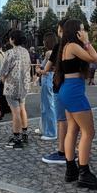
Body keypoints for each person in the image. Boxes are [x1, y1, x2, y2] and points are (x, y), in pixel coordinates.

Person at [56, 19, 97, 189]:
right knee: (88, 132)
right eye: (82, 29)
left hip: (69, 89)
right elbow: (94, 59)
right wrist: (86, 41)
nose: (84, 31)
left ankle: (71, 170)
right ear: (76, 32)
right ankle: (84, 173)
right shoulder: (74, 46)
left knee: (73, 129)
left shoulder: (66, 46)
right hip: (74, 92)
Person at [41, 20, 70, 164]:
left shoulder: (59, 46)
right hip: (74, 86)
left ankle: (62, 152)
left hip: (60, 85)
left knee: (62, 120)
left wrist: (40, 71)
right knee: (73, 121)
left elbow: (46, 69)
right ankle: (71, 150)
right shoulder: (77, 46)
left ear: (61, 30)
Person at [2, 30, 32, 149]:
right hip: (24, 85)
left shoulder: (10, 53)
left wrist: (3, 79)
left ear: (12, 39)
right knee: (22, 108)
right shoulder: (26, 52)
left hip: (12, 86)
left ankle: (16, 138)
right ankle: (24, 133)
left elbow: (4, 70)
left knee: (15, 112)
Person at [37, 33, 59, 143]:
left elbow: (45, 70)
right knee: (49, 105)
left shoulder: (49, 53)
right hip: (51, 78)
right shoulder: (56, 51)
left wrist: (38, 70)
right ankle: (46, 128)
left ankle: (50, 132)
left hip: (47, 78)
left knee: (48, 106)